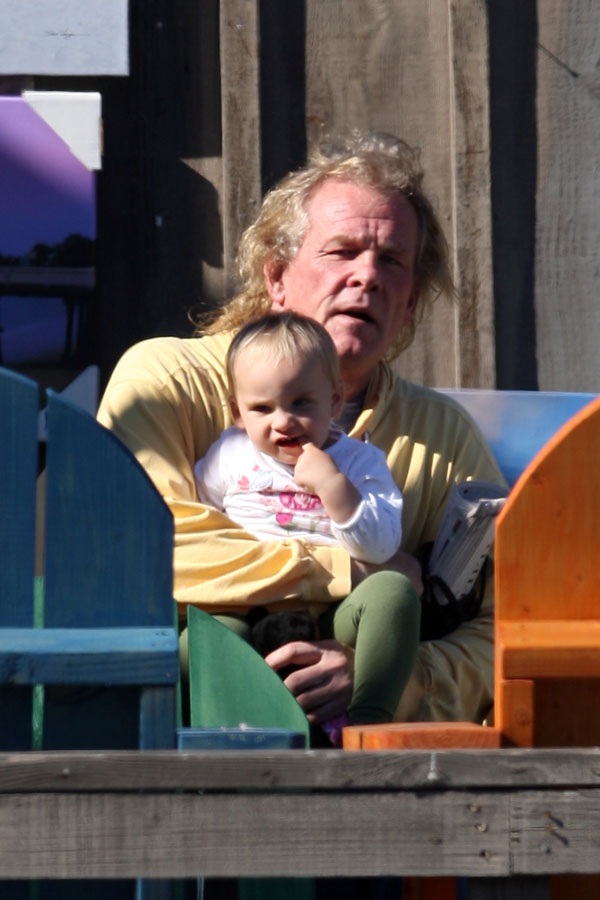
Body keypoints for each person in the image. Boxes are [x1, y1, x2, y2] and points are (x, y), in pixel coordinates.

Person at [97, 131, 506, 729]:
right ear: (278, 277)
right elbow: (138, 549)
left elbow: (508, 628)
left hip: (374, 773)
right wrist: (349, 568)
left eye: (393, 261)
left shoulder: (441, 435)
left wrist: (387, 676)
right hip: (180, 739)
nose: (368, 276)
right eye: (342, 252)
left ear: (411, 303)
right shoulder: (166, 380)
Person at [194, 311, 420, 732]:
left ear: (333, 402)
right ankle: (234, 731)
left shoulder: (357, 461)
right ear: (237, 413)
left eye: (301, 403)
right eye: (262, 408)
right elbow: (204, 523)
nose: (283, 421)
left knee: (393, 591)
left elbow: (381, 546)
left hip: (335, 615)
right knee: (200, 638)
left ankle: (368, 725)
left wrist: (335, 487)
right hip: (248, 604)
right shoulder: (230, 456)